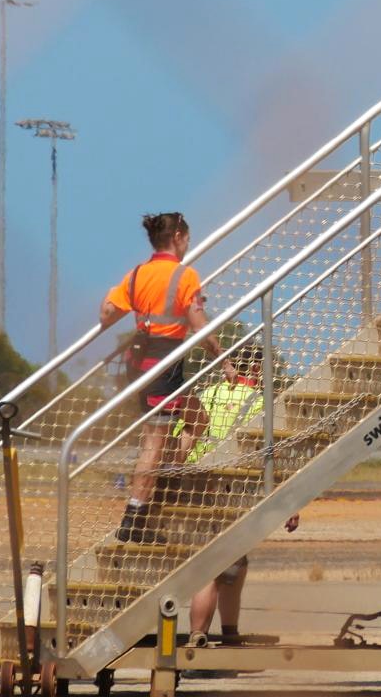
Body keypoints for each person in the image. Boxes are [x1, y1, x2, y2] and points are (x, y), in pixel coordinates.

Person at [97, 212, 209, 544]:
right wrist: (223, 357)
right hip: (164, 365)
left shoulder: (136, 274)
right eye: (187, 239)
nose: (188, 245)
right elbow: (200, 325)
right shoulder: (185, 276)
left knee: (197, 418)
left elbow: (106, 314)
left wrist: (116, 295)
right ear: (177, 237)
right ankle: (134, 517)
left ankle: (168, 475)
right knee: (153, 442)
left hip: (141, 367)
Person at [179, 344, 298, 646]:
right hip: (230, 489)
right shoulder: (259, 403)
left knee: (229, 562)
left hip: (195, 484)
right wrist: (288, 502)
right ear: (257, 370)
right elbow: (270, 455)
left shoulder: (206, 396)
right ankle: (201, 636)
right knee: (216, 565)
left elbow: (182, 441)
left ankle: (222, 634)